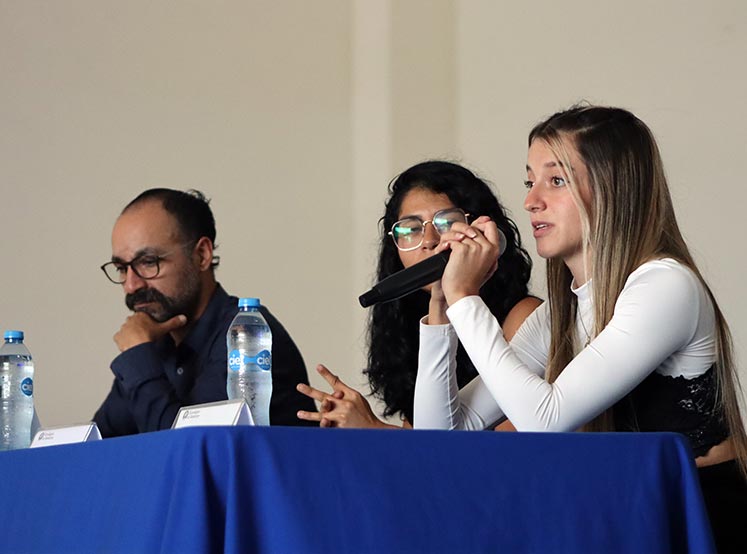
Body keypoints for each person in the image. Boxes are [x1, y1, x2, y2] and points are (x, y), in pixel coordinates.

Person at [413, 106, 747, 551]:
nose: (532, 200)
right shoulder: (561, 313)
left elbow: (544, 421)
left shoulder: (666, 284)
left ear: (612, 190)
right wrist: (441, 304)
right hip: (625, 514)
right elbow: (440, 438)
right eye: (529, 181)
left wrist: (466, 299)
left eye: (556, 180)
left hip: (702, 518)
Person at [296, 161, 541, 428]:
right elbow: (429, 444)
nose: (429, 240)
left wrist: (373, 429)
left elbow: (504, 451)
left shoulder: (526, 316)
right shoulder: (415, 322)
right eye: (411, 229)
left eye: (447, 223)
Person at [94, 188, 316, 436]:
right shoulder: (156, 344)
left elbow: (187, 454)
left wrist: (138, 358)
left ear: (201, 255)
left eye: (148, 262)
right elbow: (91, 449)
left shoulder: (246, 336)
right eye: (121, 268)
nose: (131, 285)